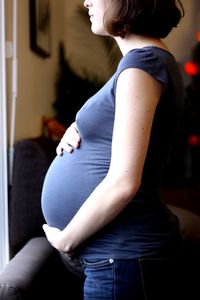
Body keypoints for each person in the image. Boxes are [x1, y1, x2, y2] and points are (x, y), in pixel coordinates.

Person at [41, 0, 185, 299]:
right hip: (121, 258)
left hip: (124, 259)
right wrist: (81, 126)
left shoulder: (142, 65)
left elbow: (123, 182)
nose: (86, 1)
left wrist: (66, 241)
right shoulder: (146, 63)